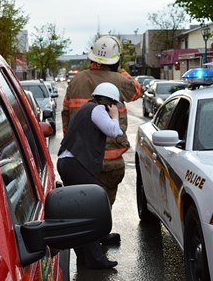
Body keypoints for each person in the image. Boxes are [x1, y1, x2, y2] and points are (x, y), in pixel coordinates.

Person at [62, 35, 142, 246]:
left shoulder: (76, 80)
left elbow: (65, 114)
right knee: (105, 199)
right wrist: (119, 70)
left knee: (84, 201)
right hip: (110, 159)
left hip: (80, 158)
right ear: (116, 61)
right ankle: (99, 235)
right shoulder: (120, 80)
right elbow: (137, 90)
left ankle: (90, 239)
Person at [57, 82, 123, 269]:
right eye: (113, 103)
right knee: (90, 210)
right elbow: (113, 131)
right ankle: (95, 259)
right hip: (76, 164)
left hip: (69, 163)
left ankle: (85, 257)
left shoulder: (88, 108)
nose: (113, 107)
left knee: (80, 213)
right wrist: (115, 116)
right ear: (108, 101)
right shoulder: (97, 110)